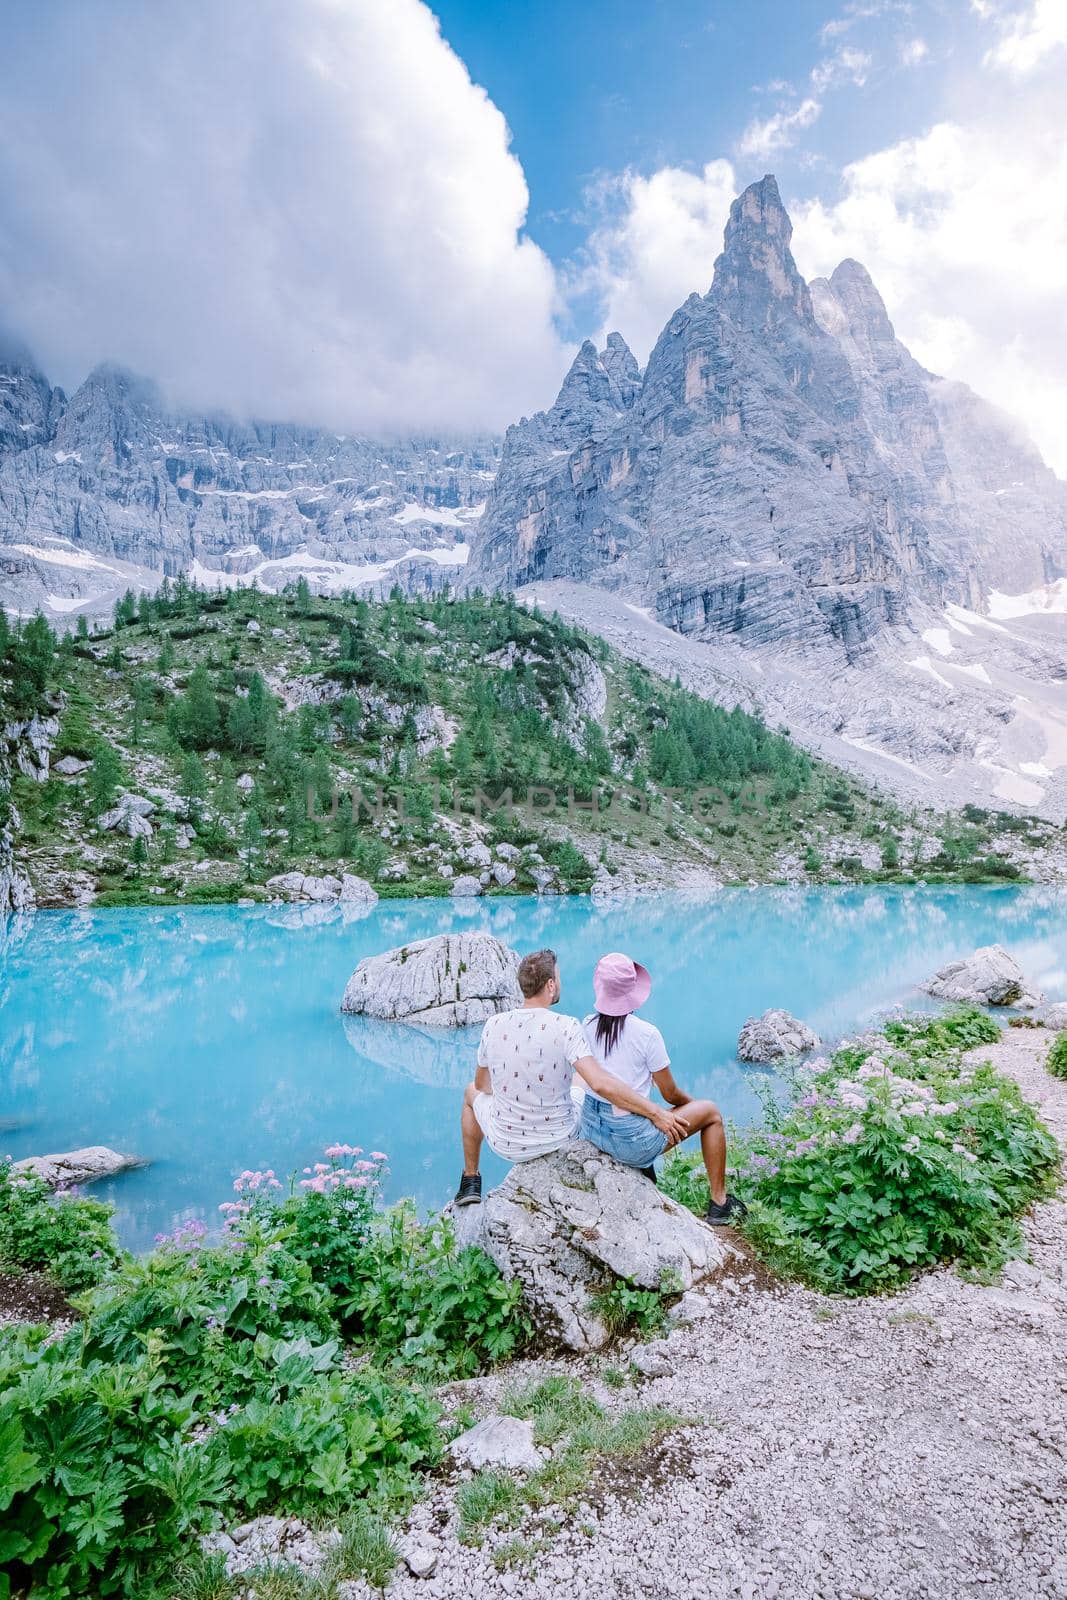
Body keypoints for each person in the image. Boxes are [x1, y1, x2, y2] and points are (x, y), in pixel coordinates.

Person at [455, 947, 690, 1206]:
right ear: (551, 985)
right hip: (560, 1137)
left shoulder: (493, 1025)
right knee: (583, 1078)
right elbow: (600, 1083)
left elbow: (482, 1085)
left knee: (470, 1093)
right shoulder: (567, 1026)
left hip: (508, 1142)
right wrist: (656, 1113)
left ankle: (470, 1180)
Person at [577, 951, 747, 1226]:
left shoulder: (586, 1025)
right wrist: (692, 1107)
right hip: (628, 1144)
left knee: (638, 1115)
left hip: (592, 1132)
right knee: (712, 1113)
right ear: (632, 991)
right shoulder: (646, 1034)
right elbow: (670, 1094)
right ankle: (720, 1202)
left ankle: (645, 1173)